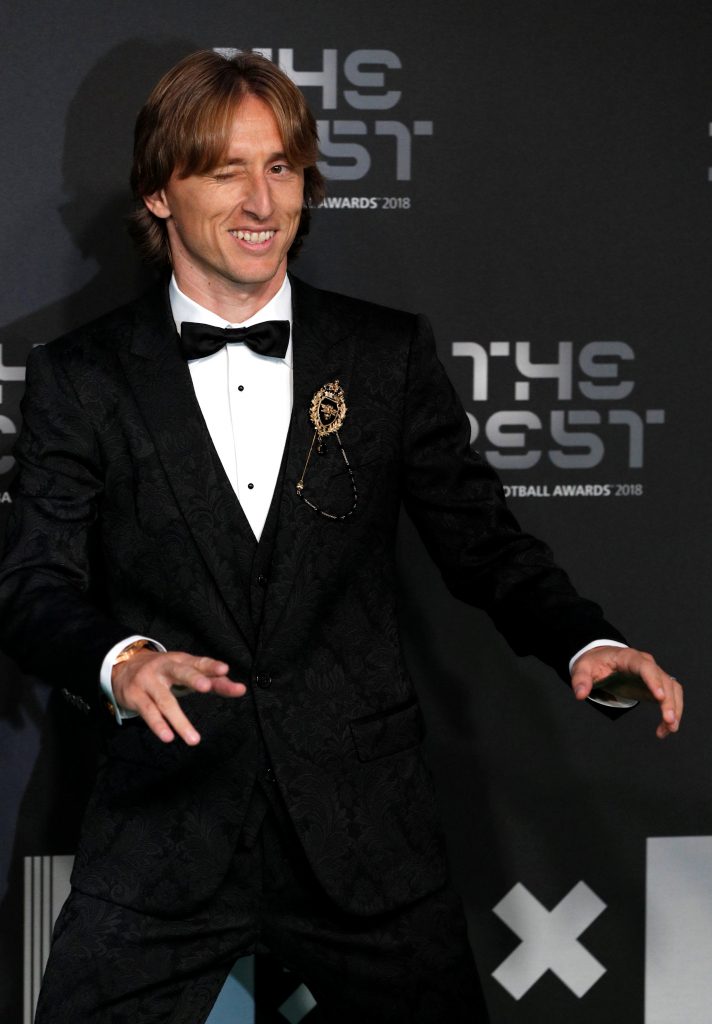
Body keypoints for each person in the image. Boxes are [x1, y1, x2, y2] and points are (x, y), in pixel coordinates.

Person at [0, 49, 682, 1024]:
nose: (261, 201)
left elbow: (485, 544)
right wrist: (123, 660)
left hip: (365, 829)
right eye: (226, 171)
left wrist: (584, 640)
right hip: (165, 826)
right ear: (157, 193)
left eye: (280, 167)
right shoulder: (83, 377)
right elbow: (34, 584)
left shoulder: (383, 355)